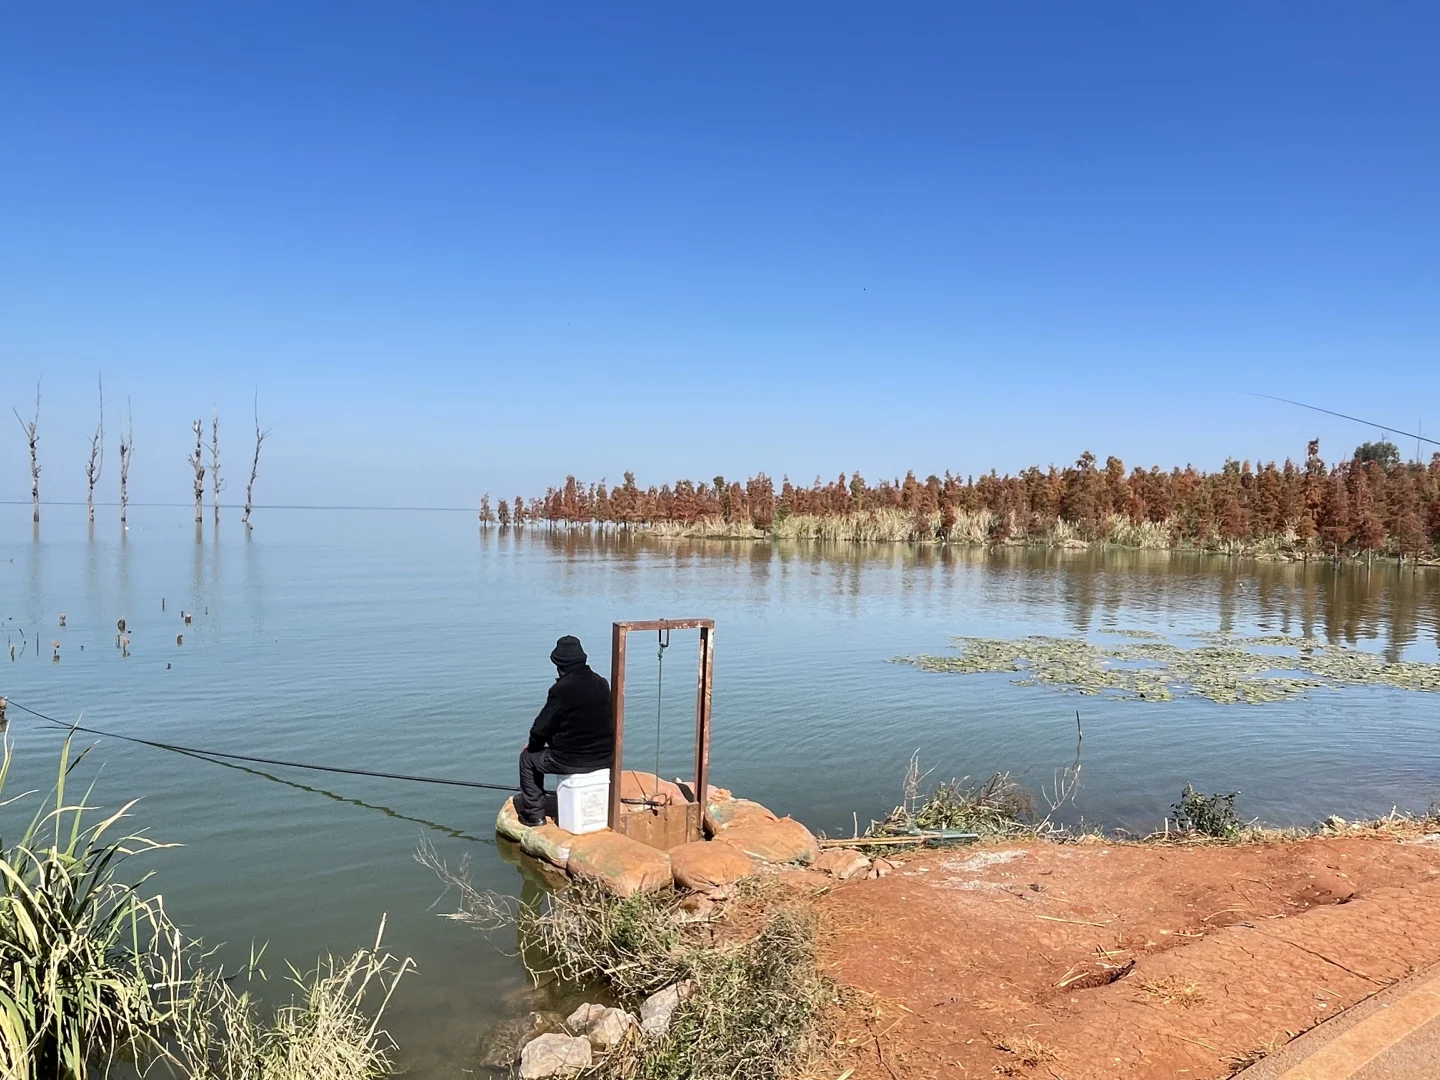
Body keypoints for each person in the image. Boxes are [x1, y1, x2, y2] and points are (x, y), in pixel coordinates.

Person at [517, 635, 613, 826]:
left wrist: (533, 746)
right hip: (605, 757)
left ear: (559, 665)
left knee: (527, 758)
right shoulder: (601, 683)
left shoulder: (561, 690)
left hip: (570, 760)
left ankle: (534, 814)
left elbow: (540, 728)